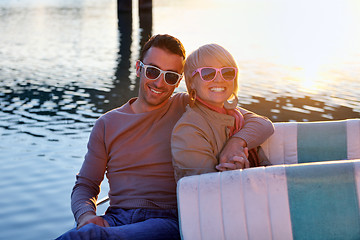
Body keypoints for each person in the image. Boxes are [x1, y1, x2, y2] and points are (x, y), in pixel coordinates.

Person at [56, 35, 274, 240]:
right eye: (153, 71)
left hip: (169, 220)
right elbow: (86, 184)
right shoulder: (106, 124)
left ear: (179, 81)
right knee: (85, 234)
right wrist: (85, 215)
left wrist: (236, 142)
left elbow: (261, 123)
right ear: (138, 68)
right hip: (116, 219)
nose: (160, 83)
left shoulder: (189, 106)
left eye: (170, 76)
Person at [171, 43, 273, 182]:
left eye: (227, 72)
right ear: (192, 82)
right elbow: (204, 192)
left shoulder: (233, 115)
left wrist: (236, 143)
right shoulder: (188, 131)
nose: (219, 79)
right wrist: (238, 175)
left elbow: (264, 123)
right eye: (208, 73)